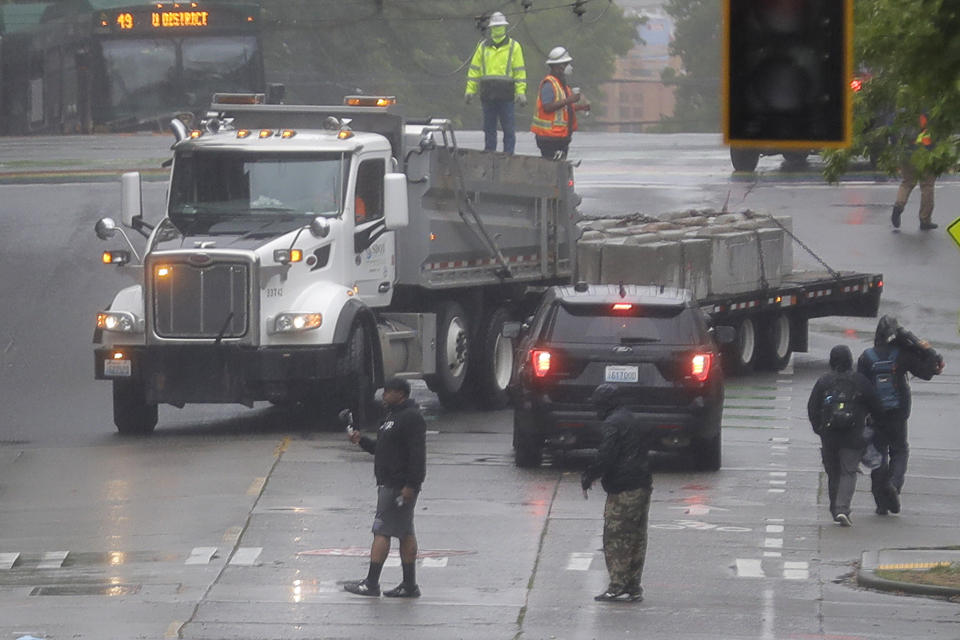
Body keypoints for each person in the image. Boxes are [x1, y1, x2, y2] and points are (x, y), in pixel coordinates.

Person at [344, 377, 427, 598]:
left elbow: (417, 455)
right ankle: (409, 585)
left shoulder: (411, 418)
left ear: (400, 393)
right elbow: (382, 450)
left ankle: (371, 583)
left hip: (397, 485)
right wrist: (361, 441)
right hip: (390, 483)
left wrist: (411, 485)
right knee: (405, 532)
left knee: (381, 531)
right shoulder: (391, 417)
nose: (383, 397)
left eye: (387, 392)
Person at [857, 315, 944, 515]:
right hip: (899, 412)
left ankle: (881, 503)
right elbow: (927, 372)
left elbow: (860, 387)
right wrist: (926, 349)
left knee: (879, 455)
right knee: (899, 449)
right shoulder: (902, 355)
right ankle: (894, 485)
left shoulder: (866, 356)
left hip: (876, 413)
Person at [581, 384, 654, 602]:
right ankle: (633, 585)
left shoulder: (612, 424)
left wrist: (589, 476)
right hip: (642, 484)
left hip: (623, 487)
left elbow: (606, 455)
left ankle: (617, 585)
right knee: (636, 537)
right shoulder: (632, 419)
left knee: (616, 537)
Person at [807, 345, 885, 526]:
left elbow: (812, 408)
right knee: (848, 471)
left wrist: (819, 429)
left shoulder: (824, 381)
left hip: (829, 436)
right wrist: (873, 426)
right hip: (854, 435)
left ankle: (835, 509)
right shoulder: (860, 381)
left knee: (833, 473)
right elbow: (877, 407)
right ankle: (842, 509)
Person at [464, 11, 527, 154]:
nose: (497, 29)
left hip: (506, 95)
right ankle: (489, 156)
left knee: (508, 130)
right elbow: (474, 71)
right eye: (496, 27)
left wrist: (521, 92)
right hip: (488, 95)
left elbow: (519, 72)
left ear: (504, 27)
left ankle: (508, 157)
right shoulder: (483, 47)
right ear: (491, 28)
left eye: (499, 27)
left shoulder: (514, 47)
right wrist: (470, 90)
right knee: (489, 129)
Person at [531, 46, 590, 160]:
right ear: (558, 66)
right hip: (549, 138)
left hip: (561, 137)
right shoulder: (549, 84)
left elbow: (565, 108)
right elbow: (547, 107)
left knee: (559, 170)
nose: (569, 67)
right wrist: (570, 100)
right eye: (566, 64)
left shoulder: (562, 84)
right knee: (552, 170)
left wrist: (581, 107)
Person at [891, 111, 938, 230]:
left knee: (907, 182)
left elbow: (893, 131)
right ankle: (925, 219)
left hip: (906, 153)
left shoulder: (902, 111)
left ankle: (898, 206)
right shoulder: (928, 109)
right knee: (927, 186)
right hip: (925, 153)